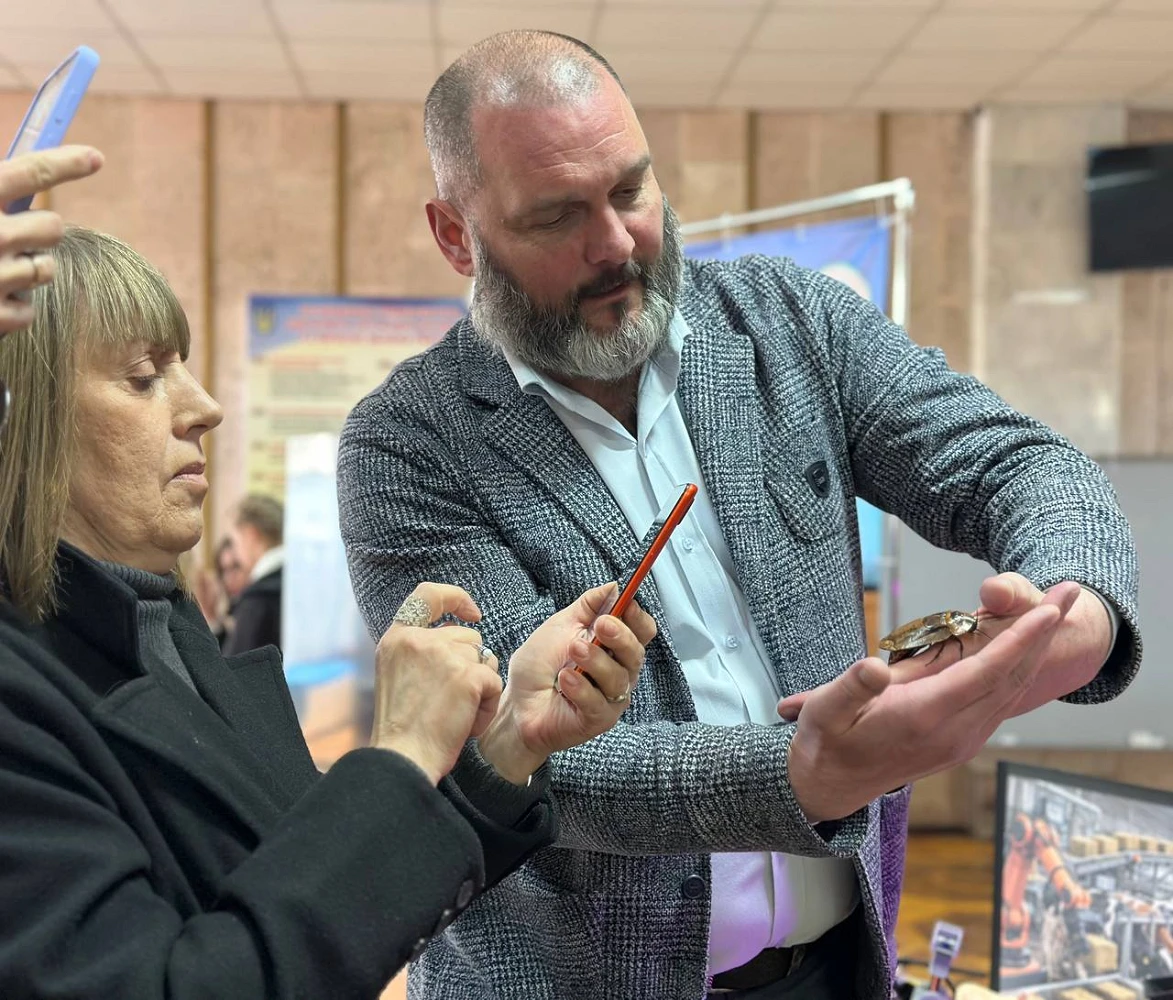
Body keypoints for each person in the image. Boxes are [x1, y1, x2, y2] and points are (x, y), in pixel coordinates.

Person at [336, 30, 1142, 1000]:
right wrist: (804, 774)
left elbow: (1013, 462)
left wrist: (1077, 612)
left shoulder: (792, 322)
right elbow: (527, 755)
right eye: (556, 216)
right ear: (456, 235)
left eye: (630, 189)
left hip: (836, 968)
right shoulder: (407, 443)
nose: (614, 243)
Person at [0, 224, 655, 999]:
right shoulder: (22, 694)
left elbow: (317, 891)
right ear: (21, 417)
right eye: (143, 378)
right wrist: (402, 753)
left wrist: (506, 745)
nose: (204, 407)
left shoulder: (165, 633)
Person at [221, 494, 285, 655]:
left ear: (251, 535)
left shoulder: (258, 600)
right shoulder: (305, 581)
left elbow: (234, 667)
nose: (236, 555)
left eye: (235, 542)